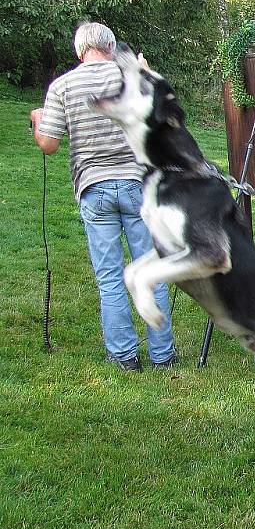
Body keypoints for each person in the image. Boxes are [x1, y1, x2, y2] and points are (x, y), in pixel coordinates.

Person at [30, 22, 177, 372]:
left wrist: (38, 120)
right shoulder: (131, 76)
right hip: (138, 185)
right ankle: (163, 356)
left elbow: (48, 145)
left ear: (80, 50)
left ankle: (124, 357)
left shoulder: (62, 86)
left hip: (93, 187)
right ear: (110, 47)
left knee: (109, 276)